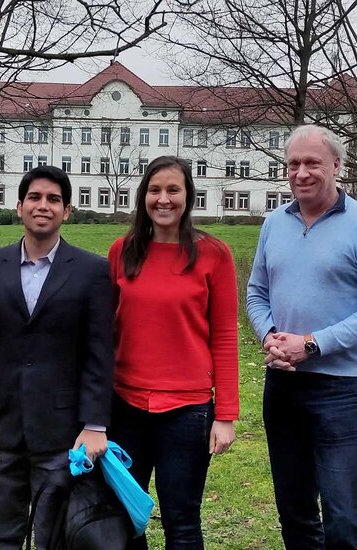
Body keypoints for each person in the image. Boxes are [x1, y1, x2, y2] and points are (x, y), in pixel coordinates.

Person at [247, 124, 357, 549]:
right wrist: (270, 337)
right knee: (294, 511)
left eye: (312, 163)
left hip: (341, 391)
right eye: (293, 164)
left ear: (336, 165)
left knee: (341, 515)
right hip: (283, 383)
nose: (301, 173)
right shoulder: (274, 223)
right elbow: (257, 292)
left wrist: (312, 344)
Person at [0, 165, 115, 549]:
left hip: (62, 436)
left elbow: (99, 354)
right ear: (19, 206)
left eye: (53, 199)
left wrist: (95, 423)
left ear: (67, 211)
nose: (42, 205)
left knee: (54, 541)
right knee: (1, 540)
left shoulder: (93, 271)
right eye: (34, 197)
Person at [106, 156, 239, 549]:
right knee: (124, 517)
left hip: (187, 411)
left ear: (188, 196)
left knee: (181, 520)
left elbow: (224, 336)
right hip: (125, 407)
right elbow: (105, 332)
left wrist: (225, 415)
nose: (163, 199)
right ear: (143, 196)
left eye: (173, 190)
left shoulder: (214, 254)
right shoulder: (122, 251)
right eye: (155, 190)